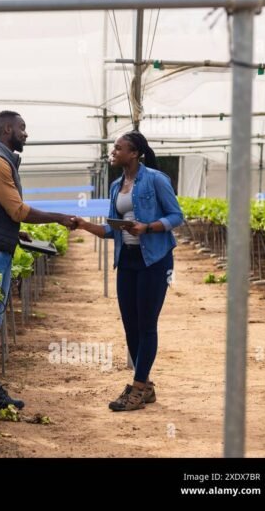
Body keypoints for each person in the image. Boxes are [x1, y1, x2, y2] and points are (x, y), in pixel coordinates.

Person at [0, 110, 77, 411]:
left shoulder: (4, 161)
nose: (26, 133)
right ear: (7, 129)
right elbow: (17, 209)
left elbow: (3, 213)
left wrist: (15, 233)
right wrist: (59, 218)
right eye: (22, 128)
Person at [74, 130, 183, 411]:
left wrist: (148, 227)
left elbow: (176, 217)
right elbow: (113, 230)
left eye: (118, 148)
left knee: (147, 324)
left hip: (154, 260)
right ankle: (145, 386)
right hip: (127, 260)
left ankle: (137, 387)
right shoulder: (116, 186)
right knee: (130, 324)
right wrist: (84, 224)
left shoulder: (156, 180)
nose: (114, 151)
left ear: (134, 153)